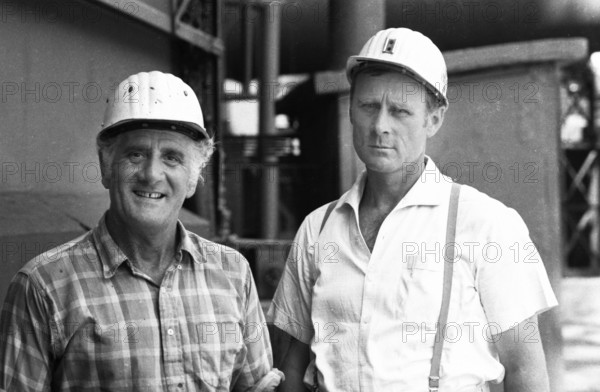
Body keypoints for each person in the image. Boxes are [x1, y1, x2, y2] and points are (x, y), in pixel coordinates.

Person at [268, 28, 558, 392]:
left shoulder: (486, 224)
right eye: (369, 106)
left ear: (433, 120)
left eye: (400, 111)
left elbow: (526, 371)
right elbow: (289, 368)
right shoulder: (317, 229)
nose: (380, 127)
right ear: (350, 111)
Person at [0, 71, 282, 391]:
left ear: (193, 178)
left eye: (172, 157)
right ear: (107, 166)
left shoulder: (233, 273)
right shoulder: (43, 286)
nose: (151, 174)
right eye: (136, 154)